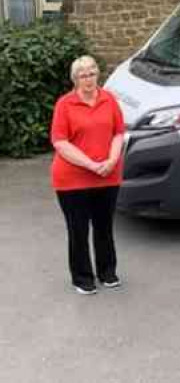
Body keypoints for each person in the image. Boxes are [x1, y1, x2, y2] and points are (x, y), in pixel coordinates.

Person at [50, 55, 126, 295]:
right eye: (83, 75)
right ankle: (82, 278)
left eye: (92, 72)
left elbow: (118, 133)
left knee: (104, 227)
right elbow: (60, 142)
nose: (89, 78)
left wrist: (112, 160)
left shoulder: (109, 99)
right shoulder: (65, 104)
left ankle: (107, 272)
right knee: (78, 230)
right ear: (75, 79)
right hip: (72, 180)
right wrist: (93, 165)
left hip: (108, 176)